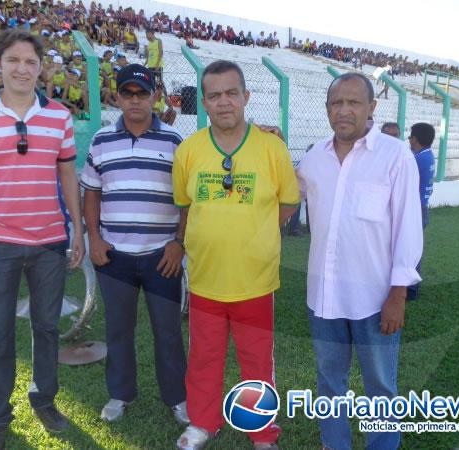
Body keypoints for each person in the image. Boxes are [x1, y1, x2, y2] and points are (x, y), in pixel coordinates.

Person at [0, 30, 85, 450]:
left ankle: (44, 400)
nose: (22, 69)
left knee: (46, 329)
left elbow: (67, 175)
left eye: (30, 62)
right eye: (13, 60)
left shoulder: (59, 116)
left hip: (49, 242)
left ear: (41, 67)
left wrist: (77, 229)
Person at [173, 60, 300, 450]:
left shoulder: (272, 147)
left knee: (257, 363)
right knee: (204, 359)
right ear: (204, 103)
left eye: (231, 93)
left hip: (256, 282)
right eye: (214, 95)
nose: (223, 102)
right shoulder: (189, 150)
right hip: (207, 280)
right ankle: (203, 423)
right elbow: (185, 206)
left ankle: (262, 433)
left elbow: (287, 205)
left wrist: (254, 238)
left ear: (246, 97)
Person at [295, 72, 423, 450]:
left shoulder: (395, 156)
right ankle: (334, 445)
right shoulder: (313, 159)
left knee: (381, 386)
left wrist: (398, 295)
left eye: (354, 102)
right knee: (329, 381)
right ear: (327, 110)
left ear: (372, 108)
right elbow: (283, 194)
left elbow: (408, 229)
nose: (345, 110)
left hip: (375, 300)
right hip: (324, 298)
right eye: (337, 103)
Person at [80, 64, 189, 426]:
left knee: (168, 331)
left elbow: (187, 200)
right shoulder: (101, 140)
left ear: (155, 96)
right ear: (117, 97)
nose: (135, 100)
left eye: (142, 93)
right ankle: (120, 394)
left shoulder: (174, 141)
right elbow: (92, 194)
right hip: (114, 256)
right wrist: (94, 238)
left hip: (163, 256)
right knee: (118, 329)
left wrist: (179, 243)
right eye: (128, 93)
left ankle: (177, 398)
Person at [407, 122, 435, 300]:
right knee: (412, 249)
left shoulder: (417, 159)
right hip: (421, 208)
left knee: (410, 250)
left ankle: (411, 290)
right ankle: (411, 288)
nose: (408, 140)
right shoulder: (427, 155)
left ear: (415, 139)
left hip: (416, 210)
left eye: (410, 136)